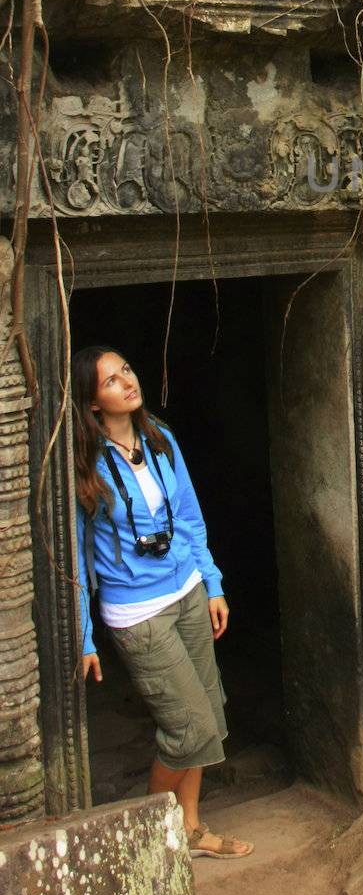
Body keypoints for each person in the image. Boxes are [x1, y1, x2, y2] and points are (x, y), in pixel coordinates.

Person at [73, 345, 253, 860]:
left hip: (188, 591)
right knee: (188, 727)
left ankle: (191, 828)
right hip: (138, 613)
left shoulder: (159, 439)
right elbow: (78, 559)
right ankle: (148, 841)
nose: (127, 382)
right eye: (110, 380)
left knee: (210, 714)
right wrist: (85, 636)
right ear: (92, 402)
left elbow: (190, 518)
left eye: (127, 369)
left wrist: (213, 584)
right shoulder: (87, 467)